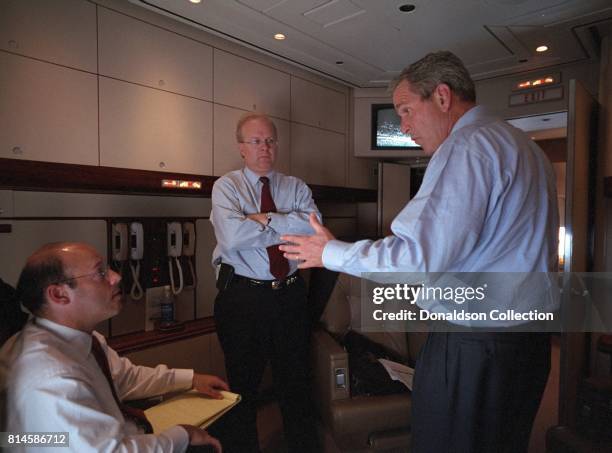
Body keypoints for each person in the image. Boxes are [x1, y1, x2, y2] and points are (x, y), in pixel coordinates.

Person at [280, 51, 558, 453]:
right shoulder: (524, 147)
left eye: (406, 110)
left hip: (474, 349)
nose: (404, 126)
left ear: (442, 97)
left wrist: (331, 253)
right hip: (526, 346)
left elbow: (421, 257)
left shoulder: (467, 146)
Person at [0, 242, 229, 453]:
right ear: (59, 294)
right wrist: (182, 434)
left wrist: (191, 379)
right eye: (100, 273)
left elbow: (122, 377)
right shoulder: (52, 376)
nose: (116, 277)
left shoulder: (78, 338)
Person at [209, 113, 320, 452]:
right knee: (242, 389)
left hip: (289, 297)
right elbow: (231, 237)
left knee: (296, 385)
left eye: (270, 141)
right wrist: (288, 223)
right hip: (243, 298)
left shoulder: (296, 187)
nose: (265, 148)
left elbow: (315, 228)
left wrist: (264, 218)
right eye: (256, 141)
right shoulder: (227, 186)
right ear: (241, 147)